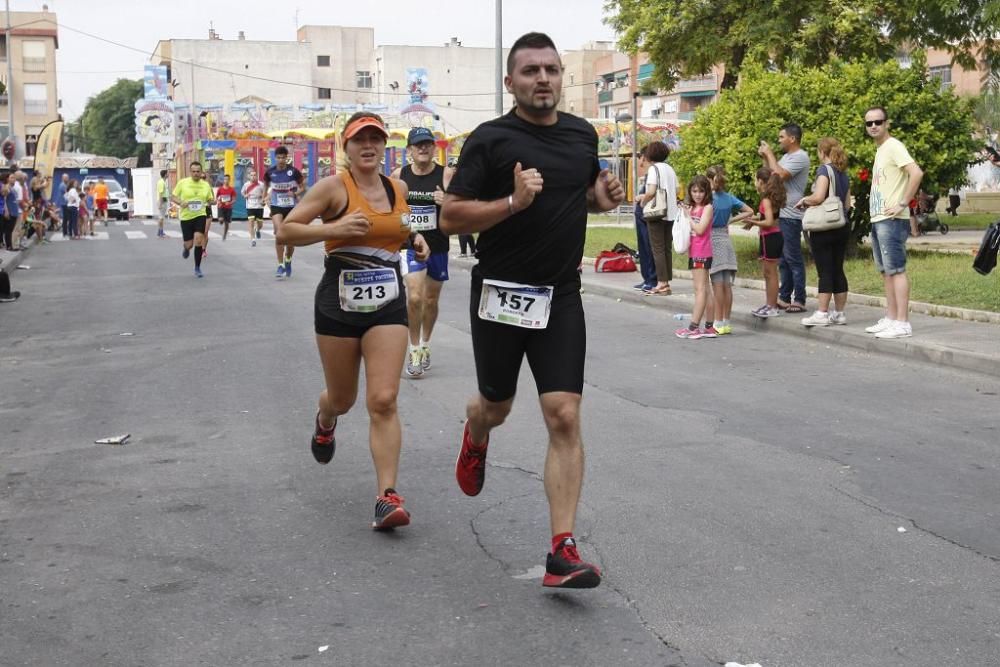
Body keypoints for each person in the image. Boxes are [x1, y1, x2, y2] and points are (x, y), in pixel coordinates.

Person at [440, 32, 625, 589]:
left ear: (562, 75)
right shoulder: (490, 141)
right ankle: (476, 432)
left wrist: (602, 198)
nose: (542, 79)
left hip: (561, 294)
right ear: (510, 82)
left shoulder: (582, 134)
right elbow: (448, 217)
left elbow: (581, 197)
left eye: (550, 69)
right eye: (530, 71)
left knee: (564, 414)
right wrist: (512, 203)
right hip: (500, 291)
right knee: (496, 405)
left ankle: (561, 549)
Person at [275, 112, 429, 531]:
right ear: (346, 147)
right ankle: (325, 421)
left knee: (383, 400)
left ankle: (387, 495)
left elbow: (397, 227)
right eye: (360, 139)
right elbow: (287, 231)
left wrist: (413, 238)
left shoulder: (396, 187)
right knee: (343, 400)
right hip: (338, 300)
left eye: (376, 139)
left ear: (384, 146)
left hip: (386, 303)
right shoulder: (332, 187)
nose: (369, 146)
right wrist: (336, 227)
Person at [392, 126, 454, 377]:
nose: (424, 148)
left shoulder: (446, 174)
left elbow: (462, 206)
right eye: (418, 145)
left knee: (430, 300)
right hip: (410, 245)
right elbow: (393, 209)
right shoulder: (399, 174)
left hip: (438, 244)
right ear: (409, 150)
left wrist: (447, 200)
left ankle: (426, 343)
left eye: (428, 144)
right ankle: (414, 349)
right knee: (415, 297)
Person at [863, 106, 924, 339]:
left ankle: (902, 322)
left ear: (886, 123)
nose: (873, 126)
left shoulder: (894, 146)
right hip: (879, 218)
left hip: (891, 220)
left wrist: (903, 202)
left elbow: (916, 173)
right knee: (886, 272)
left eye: (878, 121)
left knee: (896, 270)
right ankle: (891, 317)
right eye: (869, 123)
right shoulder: (881, 150)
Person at [795, 137, 851, 327]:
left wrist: (804, 200)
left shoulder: (824, 170)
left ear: (822, 152)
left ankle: (822, 313)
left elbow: (819, 196)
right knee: (837, 269)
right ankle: (840, 313)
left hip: (824, 228)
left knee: (824, 270)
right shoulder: (843, 173)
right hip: (841, 225)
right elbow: (847, 204)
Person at [759, 123, 810, 313]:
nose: (779, 140)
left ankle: (800, 299)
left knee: (793, 257)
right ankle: (784, 296)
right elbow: (772, 176)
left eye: (781, 137)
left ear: (792, 138)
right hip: (783, 212)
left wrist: (771, 155)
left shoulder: (800, 157)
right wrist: (766, 158)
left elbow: (780, 175)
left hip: (792, 213)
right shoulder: (787, 157)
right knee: (784, 258)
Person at [706, 165, 753, 335]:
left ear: (710, 180)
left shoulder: (708, 200)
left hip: (712, 239)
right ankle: (726, 321)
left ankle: (717, 321)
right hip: (726, 240)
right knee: (727, 284)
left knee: (717, 285)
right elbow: (749, 211)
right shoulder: (728, 198)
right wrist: (731, 220)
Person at [675, 175, 715, 339]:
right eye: (694, 191)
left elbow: (699, 230)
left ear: (707, 192)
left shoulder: (707, 208)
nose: (697, 194)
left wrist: (688, 215)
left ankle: (693, 327)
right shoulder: (693, 208)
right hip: (695, 252)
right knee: (706, 290)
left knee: (700, 290)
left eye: (701, 191)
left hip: (702, 252)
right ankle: (709, 327)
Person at [744, 167, 786, 317]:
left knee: (771, 273)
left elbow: (769, 222)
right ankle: (769, 304)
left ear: (761, 181)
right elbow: (768, 218)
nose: (755, 183)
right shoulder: (769, 198)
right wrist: (753, 220)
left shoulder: (766, 200)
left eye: (756, 179)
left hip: (771, 238)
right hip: (769, 237)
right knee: (767, 273)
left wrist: (755, 223)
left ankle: (772, 306)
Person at [637, 140, 678, 295]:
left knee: (658, 249)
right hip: (671, 213)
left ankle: (661, 283)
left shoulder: (654, 169)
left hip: (657, 214)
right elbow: (676, 189)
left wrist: (643, 201)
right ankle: (666, 282)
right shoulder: (670, 169)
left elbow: (651, 191)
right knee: (666, 248)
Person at [171, 161, 216, 278]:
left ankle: (197, 267)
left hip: (200, 215)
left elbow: (210, 199)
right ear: (190, 172)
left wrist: (213, 201)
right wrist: (181, 202)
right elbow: (173, 196)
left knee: (199, 240)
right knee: (189, 244)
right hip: (186, 217)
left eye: (198, 171)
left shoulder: (205, 185)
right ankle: (186, 248)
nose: (196, 173)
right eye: (194, 171)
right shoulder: (183, 183)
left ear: (201, 172)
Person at [265, 146, 304, 278]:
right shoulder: (270, 172)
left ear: (287, 158)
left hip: (291, 206)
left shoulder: (293, 172)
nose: (281, 160)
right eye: (279, 157)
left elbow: (302, 187)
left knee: (290, 237)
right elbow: (266, 184)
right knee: (279, 233)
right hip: (276, 205)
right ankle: (280, 264)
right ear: (275, 158)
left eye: (283, 157)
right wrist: (265, 195)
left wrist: (294, 193)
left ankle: (288, 259)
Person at [628, 147, 657, 291]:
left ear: (644, 157)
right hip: (641, 215)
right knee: (643, 249)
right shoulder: (648, 173)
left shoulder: (654, 171)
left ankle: (651, 279)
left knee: (648, 248)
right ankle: (646, 278)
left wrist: (641, 198)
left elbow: (650, 193)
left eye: (640, 157)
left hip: (647, 215)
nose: (639, 161)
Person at [242, 171, 265, 247]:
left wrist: (262, 198)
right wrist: (245, 195)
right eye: (251, 175)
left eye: (255, 175)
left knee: (260, 224)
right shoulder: (246, 185)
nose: (253, 177)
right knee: (251, 222)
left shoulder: (261, 184)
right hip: (250, 206)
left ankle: (257, 230)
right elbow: (243, 193)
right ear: (249, 176)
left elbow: (265, 194)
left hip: (259, 206)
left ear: (257, 176)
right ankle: (253, 239)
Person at [215, 174, 236, 241]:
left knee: (226, 223)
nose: (226, 181)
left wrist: (229, 203)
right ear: (223, 180)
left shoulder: (232, 189)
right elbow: (217, 198)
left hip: (228, 208)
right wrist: (218, 201)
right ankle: (221, 220)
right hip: (221, 206)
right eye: (224, 179)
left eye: (227, 179)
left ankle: (224, 234)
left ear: (229, 180)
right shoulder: (220, 189)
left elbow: (234, 199)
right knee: (221, 220)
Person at [156, 170, 169, 238]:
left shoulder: (163, 182)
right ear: (165, 175)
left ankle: (160, 232)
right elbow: (161, 193)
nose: (168, 174)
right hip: (162, 201)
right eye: (167, 173)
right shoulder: (161, 182)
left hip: (163, 200)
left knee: (162, 217)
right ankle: (160, 232)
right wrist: (160, 204)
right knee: (161, 217)